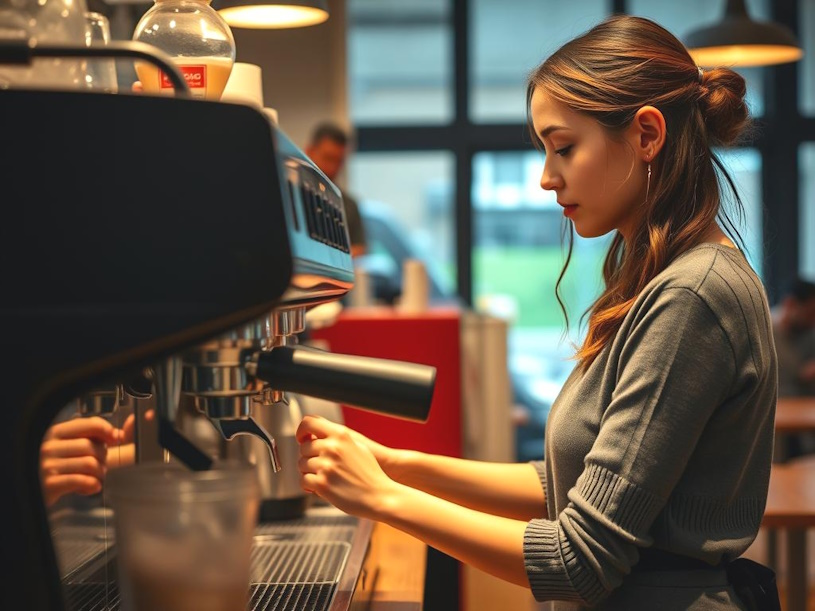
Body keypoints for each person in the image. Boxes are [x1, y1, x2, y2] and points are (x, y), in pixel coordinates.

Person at [295, 15, 778, 611]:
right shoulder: (663, 280)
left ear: (647, 135)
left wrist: (382, 498)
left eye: (564, 148)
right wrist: (398, 465)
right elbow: (569, 481)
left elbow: (579, 562)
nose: (548, 178)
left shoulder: (693, 296)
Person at [304, 122, 368, 258]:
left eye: (339, 161)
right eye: (328, 158)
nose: (332, 168)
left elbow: (360, 247)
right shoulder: (294, 193)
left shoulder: (349, 204)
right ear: (309, 151)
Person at [772, 277, 815, 397]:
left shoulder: (808, 332)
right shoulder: (764, 333)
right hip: (778, 411)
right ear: (790, 304)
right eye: (810, 313)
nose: (813, 321)